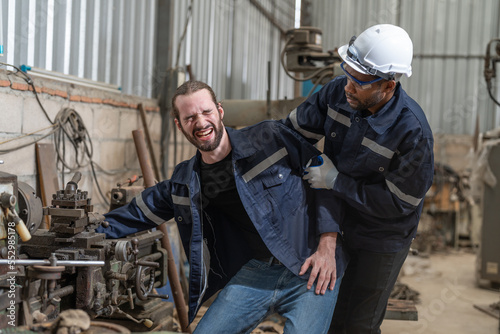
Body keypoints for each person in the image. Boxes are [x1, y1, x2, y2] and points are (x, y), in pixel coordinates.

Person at [98, 80, 347, 333]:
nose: (201, 122)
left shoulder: (270, 138)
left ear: (219, 111)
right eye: (190, 117)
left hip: (311, 263)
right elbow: (137, 212)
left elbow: (324, 184)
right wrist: (89, 232)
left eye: (206, 112)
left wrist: (328, 245)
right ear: (179, 125)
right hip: (256, 273)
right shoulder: (187, 182)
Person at [283, 24, 434, 333]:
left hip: (383, 235)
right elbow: (291, 135)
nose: (348, 87)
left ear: (389, 86)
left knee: (359, 324)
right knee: (329, 312)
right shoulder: (337, 92)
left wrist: (336, 180)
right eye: (347, 73)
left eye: (360, 82)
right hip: (340, 221)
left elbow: (397, 203)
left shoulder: (412, 132)